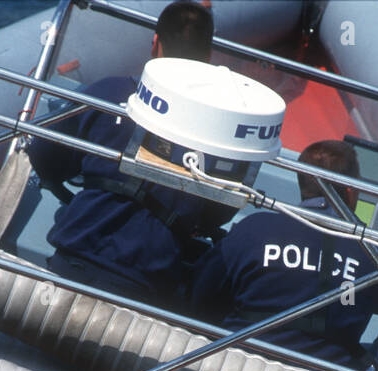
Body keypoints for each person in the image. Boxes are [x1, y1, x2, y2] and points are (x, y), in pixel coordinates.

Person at [27, 1, 234, 308]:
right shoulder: (223, 131)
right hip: (148, 286)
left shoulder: (110, 93)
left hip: (72, 259)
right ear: (207, 57)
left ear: (155, 44)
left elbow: (44, 153)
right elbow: (218, 213)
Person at [189, 139, 378, 365]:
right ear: (351, 190)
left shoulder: (253, 229)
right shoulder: (374, 256)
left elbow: (198, 298)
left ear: (301, 182)